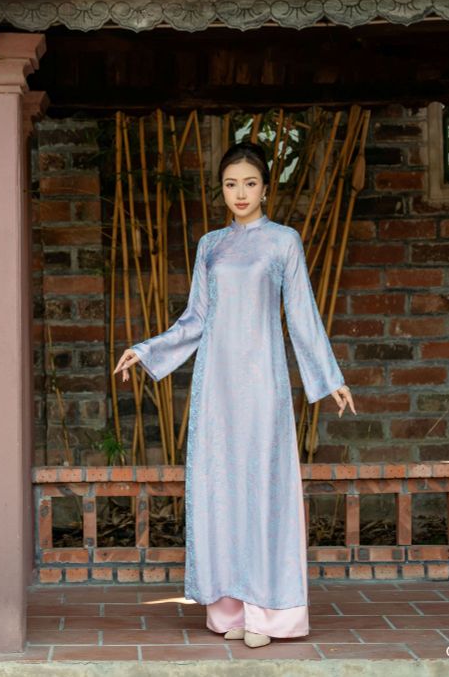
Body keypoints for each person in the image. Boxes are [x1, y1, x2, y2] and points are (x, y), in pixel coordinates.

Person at [113, 142, 357, 648]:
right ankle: (230, 609)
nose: (240, 193)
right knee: (220, 490)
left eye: (249, 183)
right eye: (230, 184)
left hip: (263, 385)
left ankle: (267, 614)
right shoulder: (210, 246)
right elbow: (196, 318)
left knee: (264, 490)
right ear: (221, 190)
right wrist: (146, 349)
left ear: (266, 188)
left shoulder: (284, 241)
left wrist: (330, 377)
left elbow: (302, 314)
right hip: (217, 388)